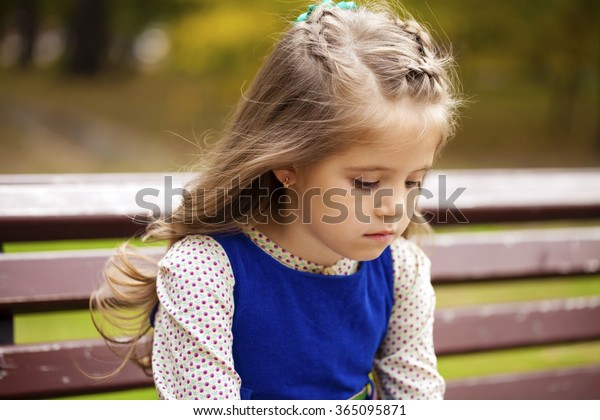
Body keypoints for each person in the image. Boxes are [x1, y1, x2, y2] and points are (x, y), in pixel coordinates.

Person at [91, 0, 461, 400]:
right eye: (367, 183)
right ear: (289, 165)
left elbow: (417, 398)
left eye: (413, 182)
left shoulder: (400, 270)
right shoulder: (205, 273)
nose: (395, 207)